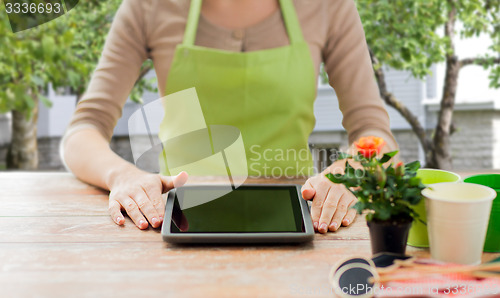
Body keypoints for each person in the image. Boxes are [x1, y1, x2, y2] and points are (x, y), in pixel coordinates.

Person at [62, 0, 398, 233]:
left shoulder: (329, 7)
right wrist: (122, 175)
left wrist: (347, 170)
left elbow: (373, 130)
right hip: (178, 221)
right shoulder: (148, 8)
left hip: (301, 218)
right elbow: (84, 128)